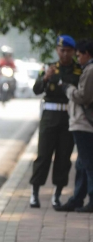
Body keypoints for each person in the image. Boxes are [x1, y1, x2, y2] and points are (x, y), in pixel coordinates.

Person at [29, 35, 81, 208]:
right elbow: (36, 90)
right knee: (43, 155)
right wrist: (45, 78)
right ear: (57, 51)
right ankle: (34, 194)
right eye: (61, 50)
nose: (64, 54)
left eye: (67, 51)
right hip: (49, 117)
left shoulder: (79, 70)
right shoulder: (49, 68)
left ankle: (57, 195)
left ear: (73, 52)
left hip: (69, 117)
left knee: (64, 157)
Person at [56, 39, 93, 213]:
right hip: (83, 122)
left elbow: (82, 97)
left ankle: (88, 200)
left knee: (87, 164)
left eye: (79, 55)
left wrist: (68, 89)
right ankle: (77, 198)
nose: (77, 58)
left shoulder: (90, 70)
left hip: (84, 123)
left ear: (87, 54)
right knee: (81, 164)